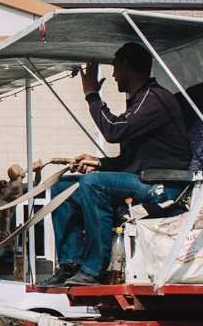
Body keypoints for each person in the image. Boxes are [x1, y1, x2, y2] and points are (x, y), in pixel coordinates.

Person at [44, 42, 191, 286]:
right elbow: (129, 161)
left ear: (125, 65)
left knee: (93, 183)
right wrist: (98, 163)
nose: (112, 75)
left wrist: (92, 95)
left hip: (162, 186)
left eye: (114, 67)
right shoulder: (140, 101)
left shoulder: (154, 98)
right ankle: (71, 264)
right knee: (63, 187)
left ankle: (94, 270)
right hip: (144, 179)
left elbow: (113, 131)